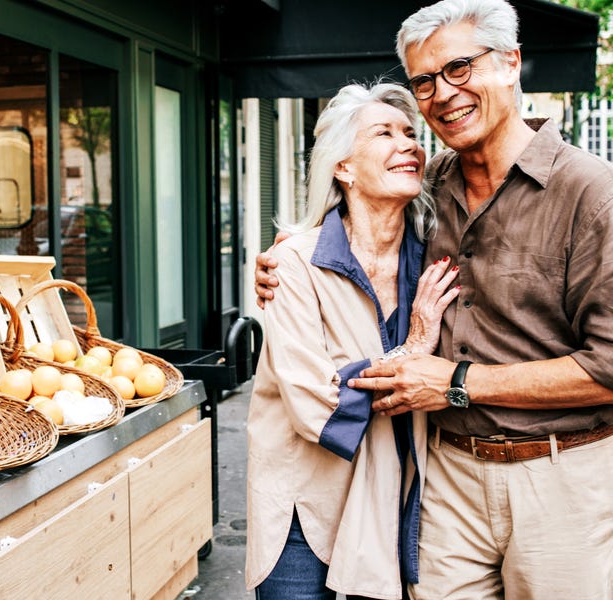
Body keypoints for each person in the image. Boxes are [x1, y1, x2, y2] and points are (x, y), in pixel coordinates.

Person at [255, 1, 613, 598]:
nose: (442, 93)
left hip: (560, 480)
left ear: (511, 63)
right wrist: (290, 250)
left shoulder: (591, 193)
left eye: (459, 68)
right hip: (444, 478)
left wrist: (455, 381)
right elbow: (355, 220)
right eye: (424, 80)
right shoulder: (430, 190)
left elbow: (609, 368)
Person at [246, 81, 460, 600]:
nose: (407, 142)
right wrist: (413, 352)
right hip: (302, 500)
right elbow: (312, 400)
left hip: (393, 494)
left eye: (410, 133)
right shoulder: (295, 262)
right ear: (343, 166)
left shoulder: (433, 261)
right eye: (384, 133)